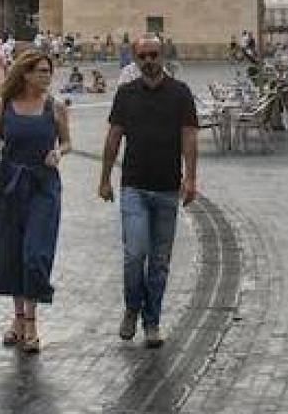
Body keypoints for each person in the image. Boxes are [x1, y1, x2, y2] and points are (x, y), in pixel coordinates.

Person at [99, 36, 198, 348]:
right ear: (135, 59)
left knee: (159, 261)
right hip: (134, 186)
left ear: (163, 56)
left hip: (168, 187)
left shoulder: (181, 93)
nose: (148, 61)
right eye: (142, 56)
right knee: (134, 253)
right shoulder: (126, 94)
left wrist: (191, 178)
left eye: (153, 55)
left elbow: (189, 138)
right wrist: (104, 178)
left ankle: (152, 320)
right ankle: (132, 306)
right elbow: (113, 138)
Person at [0, 49, 70, 353]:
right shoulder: (5, 103)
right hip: (11, 186)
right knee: (12, 254)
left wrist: (59, 152)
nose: (47, 77)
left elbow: (67, 142)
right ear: (25, 74)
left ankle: (31, 322)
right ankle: (18, 320)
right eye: (41, 71)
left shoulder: (55, 106)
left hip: (44, 187)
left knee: (35, 255)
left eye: (48, 71)